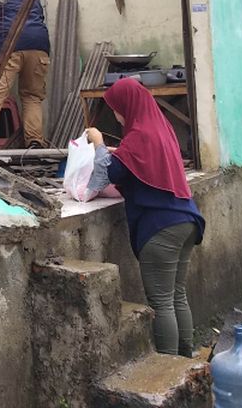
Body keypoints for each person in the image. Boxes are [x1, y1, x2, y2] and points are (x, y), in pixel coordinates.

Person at [85, 78, 205, 357]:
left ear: (127, 105)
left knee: (162, 301)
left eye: (115, 108)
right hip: (187, 220)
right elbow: (135, 165)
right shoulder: (162, 131)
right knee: (177, 295)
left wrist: (100, 144)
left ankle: (168, 369)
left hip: (161, 227)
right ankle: (186, 361)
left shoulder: (138, 135)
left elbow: (110, 173)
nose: (115, 114)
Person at [0, 0, 51, 149]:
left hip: (7, 45)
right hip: (38, 46)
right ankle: (35, 142)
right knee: (32, 96)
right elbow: (39, 20)